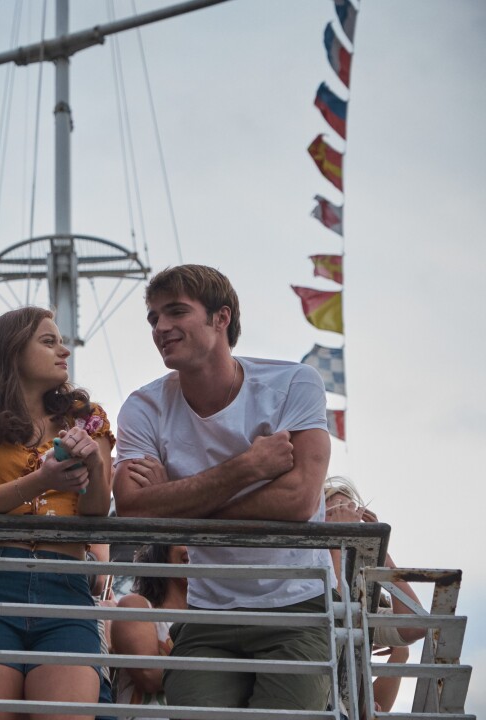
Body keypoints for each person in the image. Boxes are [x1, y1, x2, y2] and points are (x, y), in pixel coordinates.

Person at [113, 264, 333, 712]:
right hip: (207, 612)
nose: (161, 327)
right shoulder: (143, 406)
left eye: (176, 312)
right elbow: (134, 509)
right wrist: (248, 467)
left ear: (221, 318)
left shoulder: (294, 382)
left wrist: (178, 506)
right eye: (153, 317)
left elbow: (297, 500)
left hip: (296, 606)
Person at [0, 306, 113, 720]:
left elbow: (95, 514)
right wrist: (42, 480)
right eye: (49, 341)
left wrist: (94, 468)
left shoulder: (88, 418)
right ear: (13, 350)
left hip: (67, 587)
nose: (65, 351)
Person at [324, 477, 426, 714]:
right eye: (336, 510)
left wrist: (380, 551)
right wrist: (336, 538)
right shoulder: (297, 581)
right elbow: (334, 609)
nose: (347, 517)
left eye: (351, 512)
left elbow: (416, 626)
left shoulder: (364, 602)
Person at [109, 545, 189, 716]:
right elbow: (148, 675)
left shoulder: (217, 617)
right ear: (162, 551)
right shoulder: (136, 605)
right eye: (186, 540)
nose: (195, 549)